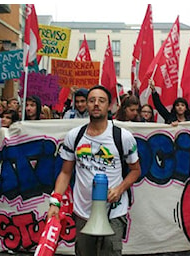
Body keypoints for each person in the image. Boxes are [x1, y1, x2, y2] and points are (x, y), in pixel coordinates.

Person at [47, 85, 140, 256]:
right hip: (83, 212)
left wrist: (119, 189)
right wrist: (55, 202)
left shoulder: (123, 137)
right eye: (92, 101)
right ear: (86, 105)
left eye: (101, 100)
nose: (96, 104)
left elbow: (135, 170)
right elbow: (66, 172)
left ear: (109, 106)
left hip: (113, 211)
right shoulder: (74, 136)